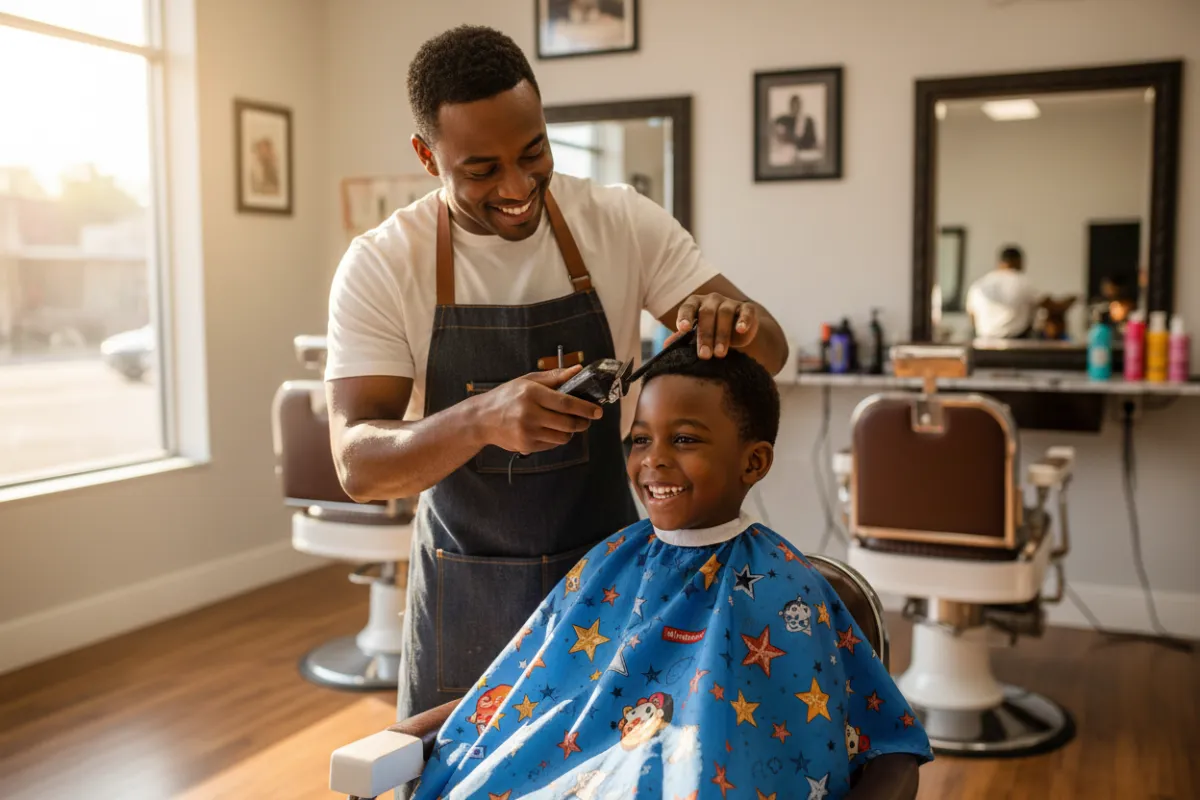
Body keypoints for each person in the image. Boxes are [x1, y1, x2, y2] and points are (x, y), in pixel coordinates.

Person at [322, 22, 790, 766]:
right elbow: (358, 465)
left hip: (607, 583)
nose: (516, 187)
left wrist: (737, 322)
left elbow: (771, 350)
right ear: (425, 155)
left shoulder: (621, 222)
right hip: (462, 594)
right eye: (480, 169)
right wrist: (481, 417)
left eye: (532, 152)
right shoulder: (384, 264)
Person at [410, 343, 933, 800]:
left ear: (754, 463)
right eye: (640, 439)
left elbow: (887, 747)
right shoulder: (611, 559)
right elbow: (535, 685)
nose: (653, 460)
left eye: (684, 439)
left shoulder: (787, 588)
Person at [965, 245, 1038, 339]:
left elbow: (972, 316)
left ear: (1000, 262)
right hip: (1016, 342)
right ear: (1018, 261)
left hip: (984, 342)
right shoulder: (1023, 281)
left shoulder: (979, 284)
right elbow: (1040, 304)